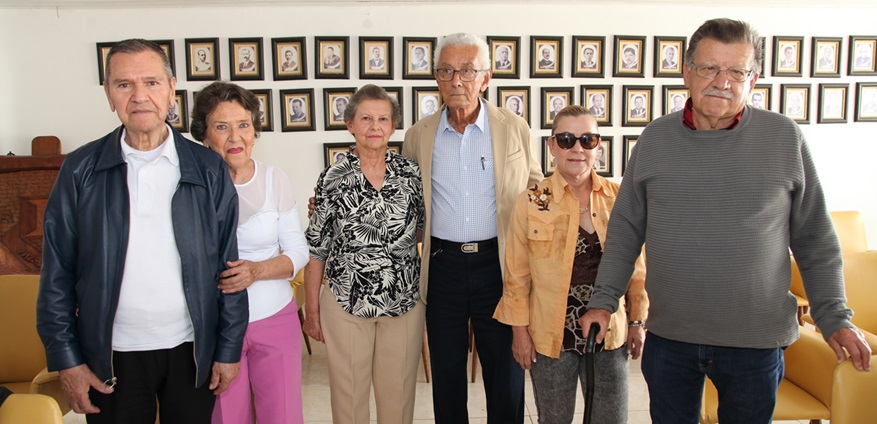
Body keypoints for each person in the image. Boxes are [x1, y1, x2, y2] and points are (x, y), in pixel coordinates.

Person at [578, 18, 872, 424]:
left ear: (754, 80)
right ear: (686, 72)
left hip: (755, 342)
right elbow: (626, 231)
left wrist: (833, 316)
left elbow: (815, 239)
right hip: (671, 339)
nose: (722, 81)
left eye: (737, 70)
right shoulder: (655, 139)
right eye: (709, 68)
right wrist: (604, 301)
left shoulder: (784, 138)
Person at [37, 38, 247, 423]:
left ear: (171, 90)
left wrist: (228, 349)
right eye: (124, 84)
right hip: (111, 354)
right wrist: (67, 361)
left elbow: (229, 268)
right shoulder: (80, 170)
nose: (139, 96)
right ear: (108, 94)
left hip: (191, 350)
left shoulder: (207, 169)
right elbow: (56, 275)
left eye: (151, 82)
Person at [401, 32, 543, 424]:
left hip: (498, 264)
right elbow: (405, 201)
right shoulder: (419, 135)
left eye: (467, 70)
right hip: (442, 265)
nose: (456, 81)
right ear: (436, 77)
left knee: (506, 375)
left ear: (486, 77)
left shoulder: (514, 127)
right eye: (447, 71)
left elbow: (536, 190)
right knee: (446, 377)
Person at [494, 105, 648, 424]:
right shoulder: (532, 201)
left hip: (610, 335)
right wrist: (519, 334)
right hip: (550, 338)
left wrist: (637, 322)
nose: (577, 148)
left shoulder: (620, 198)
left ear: (598, 146)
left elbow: (637, 269)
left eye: (586, 139)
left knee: (611, 419)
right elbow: (516, 279)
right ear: (551, 146)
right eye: (566, 139)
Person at [303, 84, 426, 424]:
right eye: (366, 118)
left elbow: (422, 229)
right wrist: (311, 310)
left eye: (383, 119)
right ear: (350, 125)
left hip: (403, 301)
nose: (375, 126)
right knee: (349, 398)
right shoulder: (332, 178)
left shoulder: (411, 174)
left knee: (398, 398)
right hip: (345, 301)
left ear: (393, 126)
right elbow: (316, 247)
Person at [191, 82, 308, 424]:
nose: (235, 137)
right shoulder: (191, 185)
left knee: (282, 415)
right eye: (221, 127)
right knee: (226, 417)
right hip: (215, 325)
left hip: (275, 318)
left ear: (255, 130)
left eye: (243, 125)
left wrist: (256, 271)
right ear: (204, 133)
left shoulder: (275, 179)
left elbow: (299, 250)